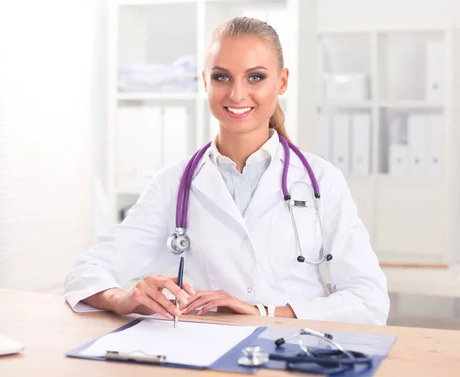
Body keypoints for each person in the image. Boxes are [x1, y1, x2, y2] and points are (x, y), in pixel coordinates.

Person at [64, 16, 389, 325]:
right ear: (205, 81)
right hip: (210, 351)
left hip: (299, 351)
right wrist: (123, 297)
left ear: (283, 81)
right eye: (221, 77)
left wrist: (263, 311)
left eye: (256, 77)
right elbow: (87, 270)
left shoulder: (321, 180)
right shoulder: (174, 183)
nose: (236, 93)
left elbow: (369, 299)